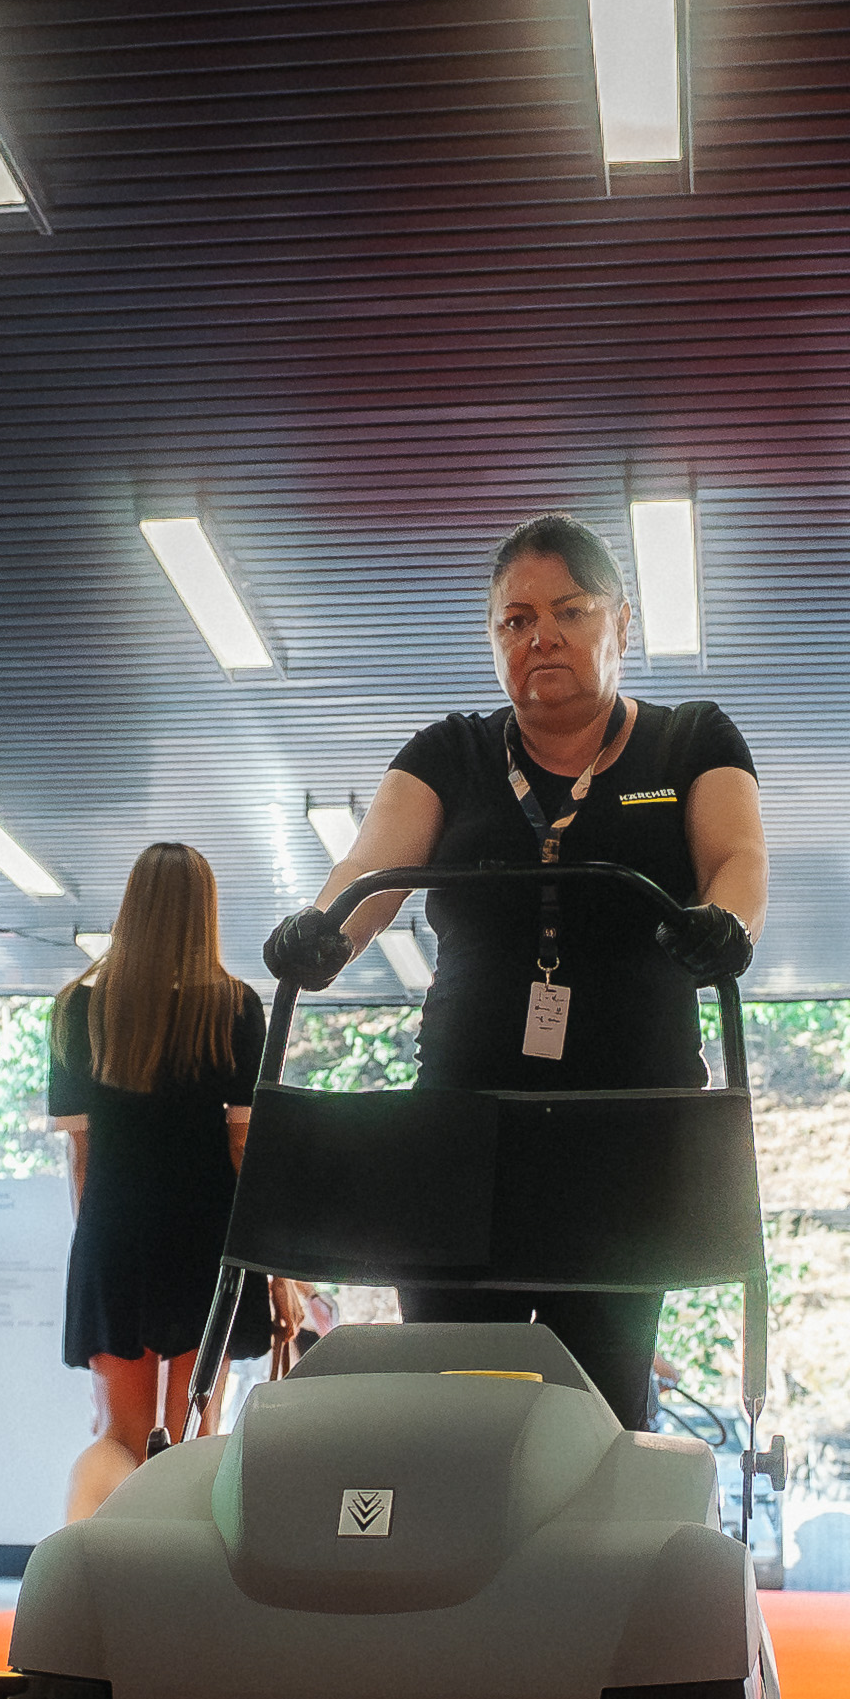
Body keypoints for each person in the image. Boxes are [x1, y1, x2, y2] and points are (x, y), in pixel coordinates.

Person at [269, 510, 767, 1432]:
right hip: (461, 1131)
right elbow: (369, 871)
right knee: (449, 1397)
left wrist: (726, 923)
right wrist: (325, 932)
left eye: (570, 611)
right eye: (516, 619)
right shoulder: (449, 753)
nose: (542, 636)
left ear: (621, 623)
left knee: (598, 1403)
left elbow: (736, 857)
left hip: (625, 1131)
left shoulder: (691, 740)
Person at [52, 843, 270, 1519]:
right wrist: (269, 1263)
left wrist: (94, 1240)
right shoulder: (236, 1007)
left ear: (131, 909)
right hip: (206, 1237)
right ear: (205, 912)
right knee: (190, 1441)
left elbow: (80, 1152)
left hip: (114, 1235)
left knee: (119, 1437)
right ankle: (174, 1567)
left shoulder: (78, 1009)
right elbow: (242, 1144)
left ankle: (94, 1554)